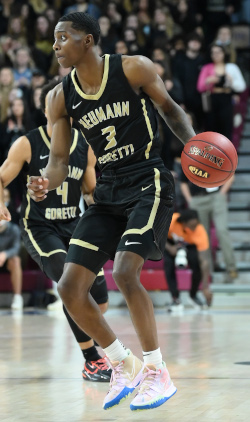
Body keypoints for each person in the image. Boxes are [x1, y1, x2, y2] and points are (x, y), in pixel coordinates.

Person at [27, 12, 196, 411]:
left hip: (148, 179)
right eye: (54, 38)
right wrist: (46, 180)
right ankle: (122, 362)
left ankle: (157, 371)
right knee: (69, 287)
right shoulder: (59, 96)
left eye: (63, 37)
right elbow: (57, 157)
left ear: (88, 40)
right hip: (107, 191)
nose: (55, 45)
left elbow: (171, 110)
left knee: (123, 271)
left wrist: (195, 148)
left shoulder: (133, 68)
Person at [0, 79, 111, 383]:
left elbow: (90, 191)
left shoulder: (84, 146)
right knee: (70, 284)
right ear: (48, 107)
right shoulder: (27, 143)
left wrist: (109, 206)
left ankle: (94, 340)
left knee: (99, 298)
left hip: (74, 225)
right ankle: (92, 361)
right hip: (39, 226)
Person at [180, 171, 238, 284]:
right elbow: (183, 182)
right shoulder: (190, 156)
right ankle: (208, 273)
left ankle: (231, 269)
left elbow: (231, 174)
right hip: (197, 199)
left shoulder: (216, 153)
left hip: (216, 196)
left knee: (222, 231)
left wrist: (222, 193)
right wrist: (190, 200)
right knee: (203, 237)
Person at [164, 209, 212, 312]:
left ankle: (193, 295)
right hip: (170, 243)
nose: (194, 228)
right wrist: (170, 248)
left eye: (196, 225)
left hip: (189, 246)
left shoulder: (199, 230)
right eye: (192, 226)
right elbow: (157, 236)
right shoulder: (171, 220)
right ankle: (175, 298)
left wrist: (205, 287)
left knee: (197, 263)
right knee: (168, 264)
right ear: (184, 223)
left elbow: (205, 261)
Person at [197, 43, 246, 140]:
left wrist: (231, 82)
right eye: (213, 53)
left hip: (226, 98)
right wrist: (209, 81)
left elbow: (241, 86)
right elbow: (200, 87)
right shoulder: (207, 67)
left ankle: (227, 154)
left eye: (219, 52)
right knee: (212, 129)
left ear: (224, 53)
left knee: (227, 128)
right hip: (212, 99)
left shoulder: (231, 67)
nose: (216, 55)